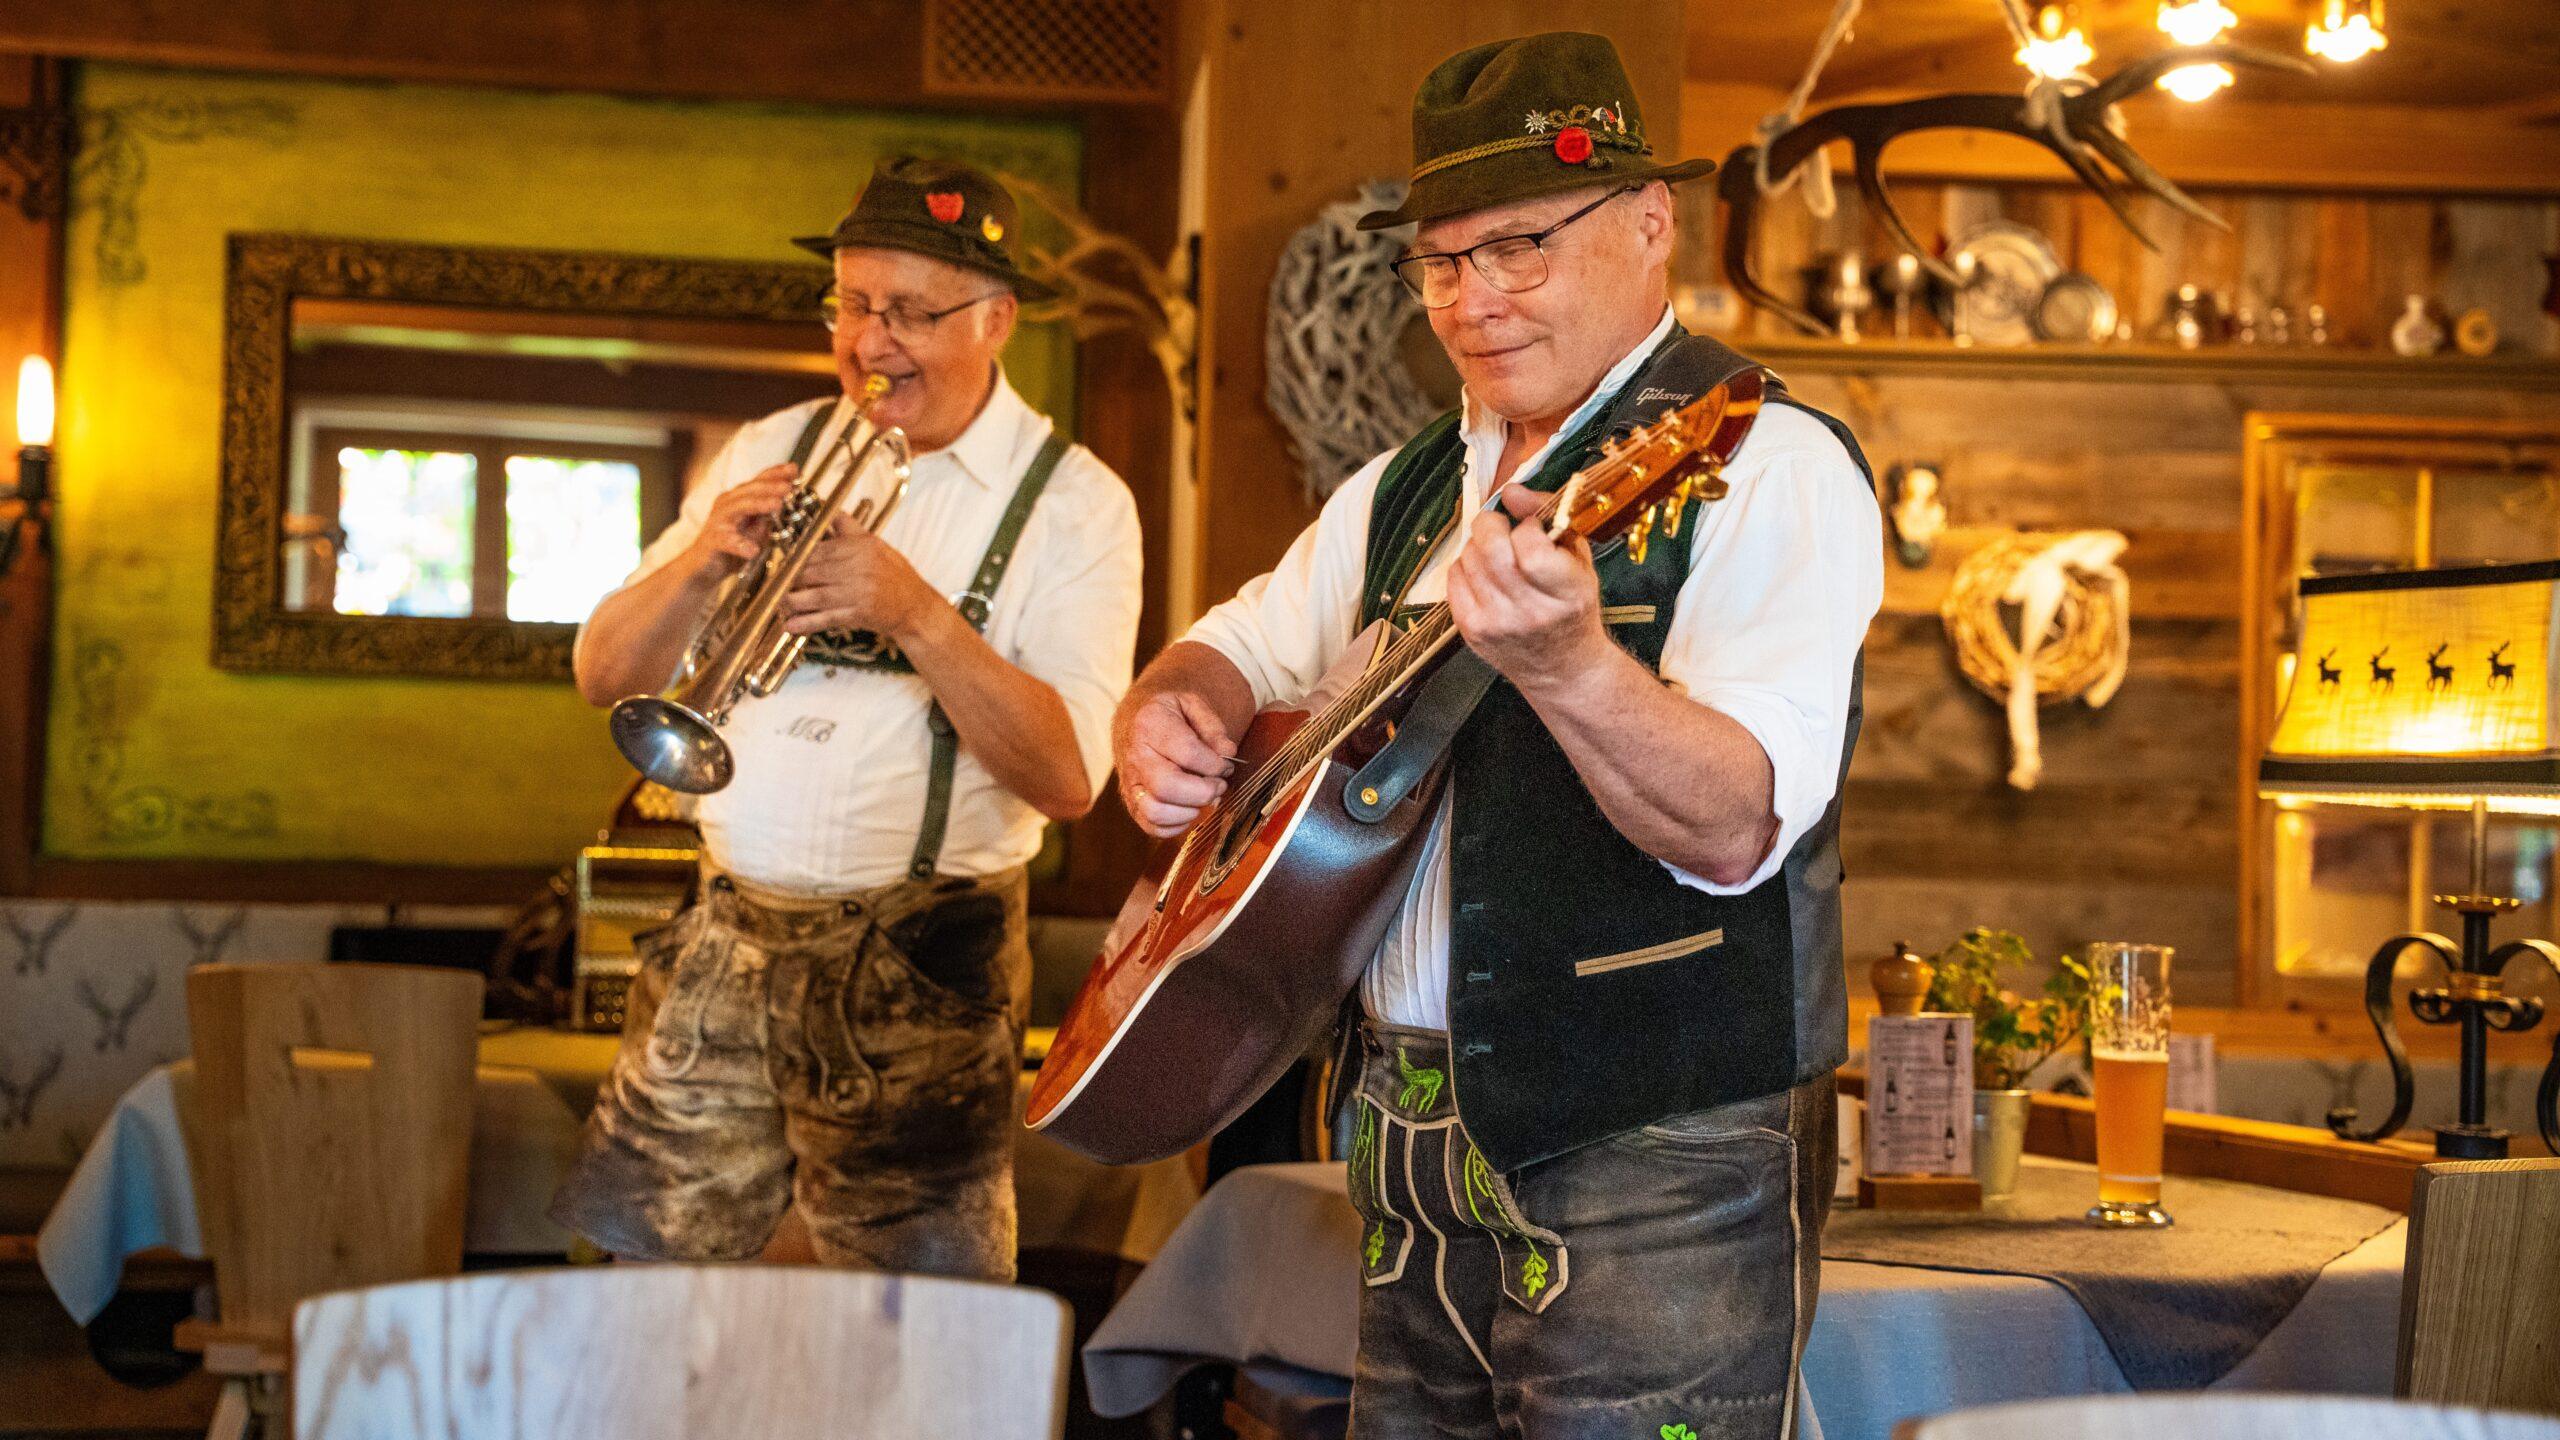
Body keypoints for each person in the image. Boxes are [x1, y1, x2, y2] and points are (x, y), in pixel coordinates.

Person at [1112, 33, 1882, 1439]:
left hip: (1656, 1145)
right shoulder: (1405, 486)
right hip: (1403, 1143)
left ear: (1652, 225)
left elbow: (1734, 827)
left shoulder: (1768, 468)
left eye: (1521, 247)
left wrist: (1573, 665)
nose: (1474, 300)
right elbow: (1233, 645)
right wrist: (1174, 708)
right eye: (1446, 261)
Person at [552, 156, 1143, 1281]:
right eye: (854, 305)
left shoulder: (1077, 502)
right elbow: (601, 673)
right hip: (722, 937)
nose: (872, 345)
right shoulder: (769, 445)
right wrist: (698, 568)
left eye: (913, 313)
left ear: (997, 319)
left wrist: (914, 612)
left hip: (922, 966)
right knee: (643, 1296)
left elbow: (1069, 779)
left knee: (914, 1338)